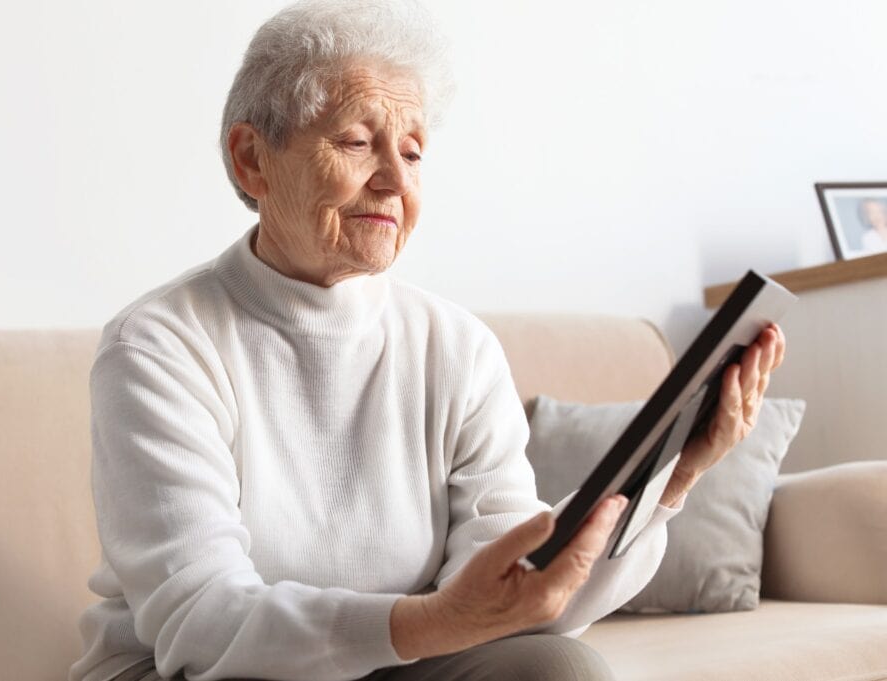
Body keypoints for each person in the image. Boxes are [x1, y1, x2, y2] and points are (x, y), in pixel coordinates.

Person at [68, 2, 787, 680]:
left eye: (412, 153)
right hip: (191, 669)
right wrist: (433, 621)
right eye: (356, 141)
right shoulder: (160, 345)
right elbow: (201, 619)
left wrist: (678, 473)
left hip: (393, 661)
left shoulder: (457, 346)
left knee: (559, 669)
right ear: (253, 160)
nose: (393, 181)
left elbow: (518, 597)